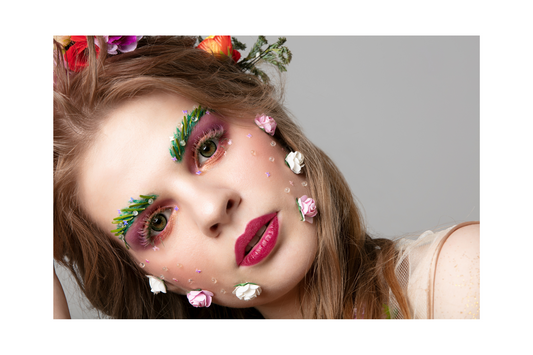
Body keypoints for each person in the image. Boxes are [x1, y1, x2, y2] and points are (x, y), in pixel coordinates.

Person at [53, 35, 479, 319]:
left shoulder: (465, 279)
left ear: (259, 115)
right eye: (157, 223)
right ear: (145, 276)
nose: (211, 207)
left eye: (206, 147)